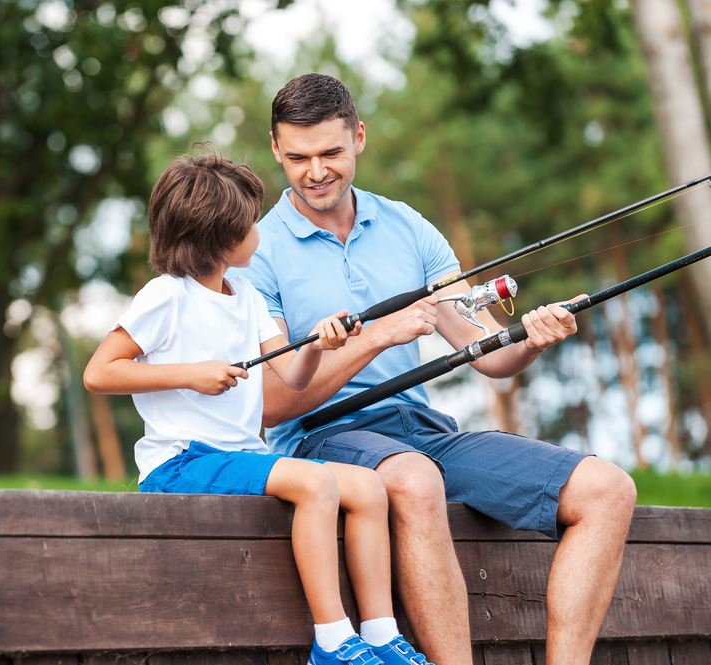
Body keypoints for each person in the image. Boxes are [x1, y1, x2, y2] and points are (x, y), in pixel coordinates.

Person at [231, 74, 637, 665]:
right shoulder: (255, 250)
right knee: (417, 478)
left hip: (423, 428)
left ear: (359, 138)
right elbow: (271, 404)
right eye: (298, 157)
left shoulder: (409, 227)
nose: (315, 171)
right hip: (324, 436)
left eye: (330, 153)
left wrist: (530, 339)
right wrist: (378, 339)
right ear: (275, 149)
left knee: (607, 489)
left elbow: (485, 352)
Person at [84, 151, 435, 665]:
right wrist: (191, 373)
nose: (260, 232)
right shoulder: (166, 296)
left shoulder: (246, 295)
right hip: (182, 463)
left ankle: (381, 634)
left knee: (367, 488)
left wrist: (317, 344)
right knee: (316, 482)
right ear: (220, 238)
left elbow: (289, 374)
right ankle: (334, 641)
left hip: (242, 457)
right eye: (250, 224)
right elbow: (100, 371)